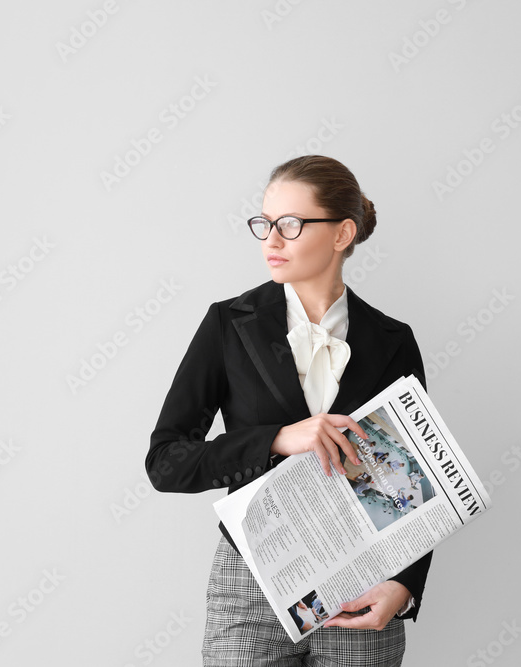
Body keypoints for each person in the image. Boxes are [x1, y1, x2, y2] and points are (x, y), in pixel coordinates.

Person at [146, 155, 434, 666]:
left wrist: (404, 587)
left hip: (362, 583)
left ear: (342, 233)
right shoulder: (227, 325)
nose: (271, 241)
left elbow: (418, 482)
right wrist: (278, 438)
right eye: (264, 224)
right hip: (251, 579)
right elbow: (166, 462)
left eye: (291, 224)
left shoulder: (393, 340)